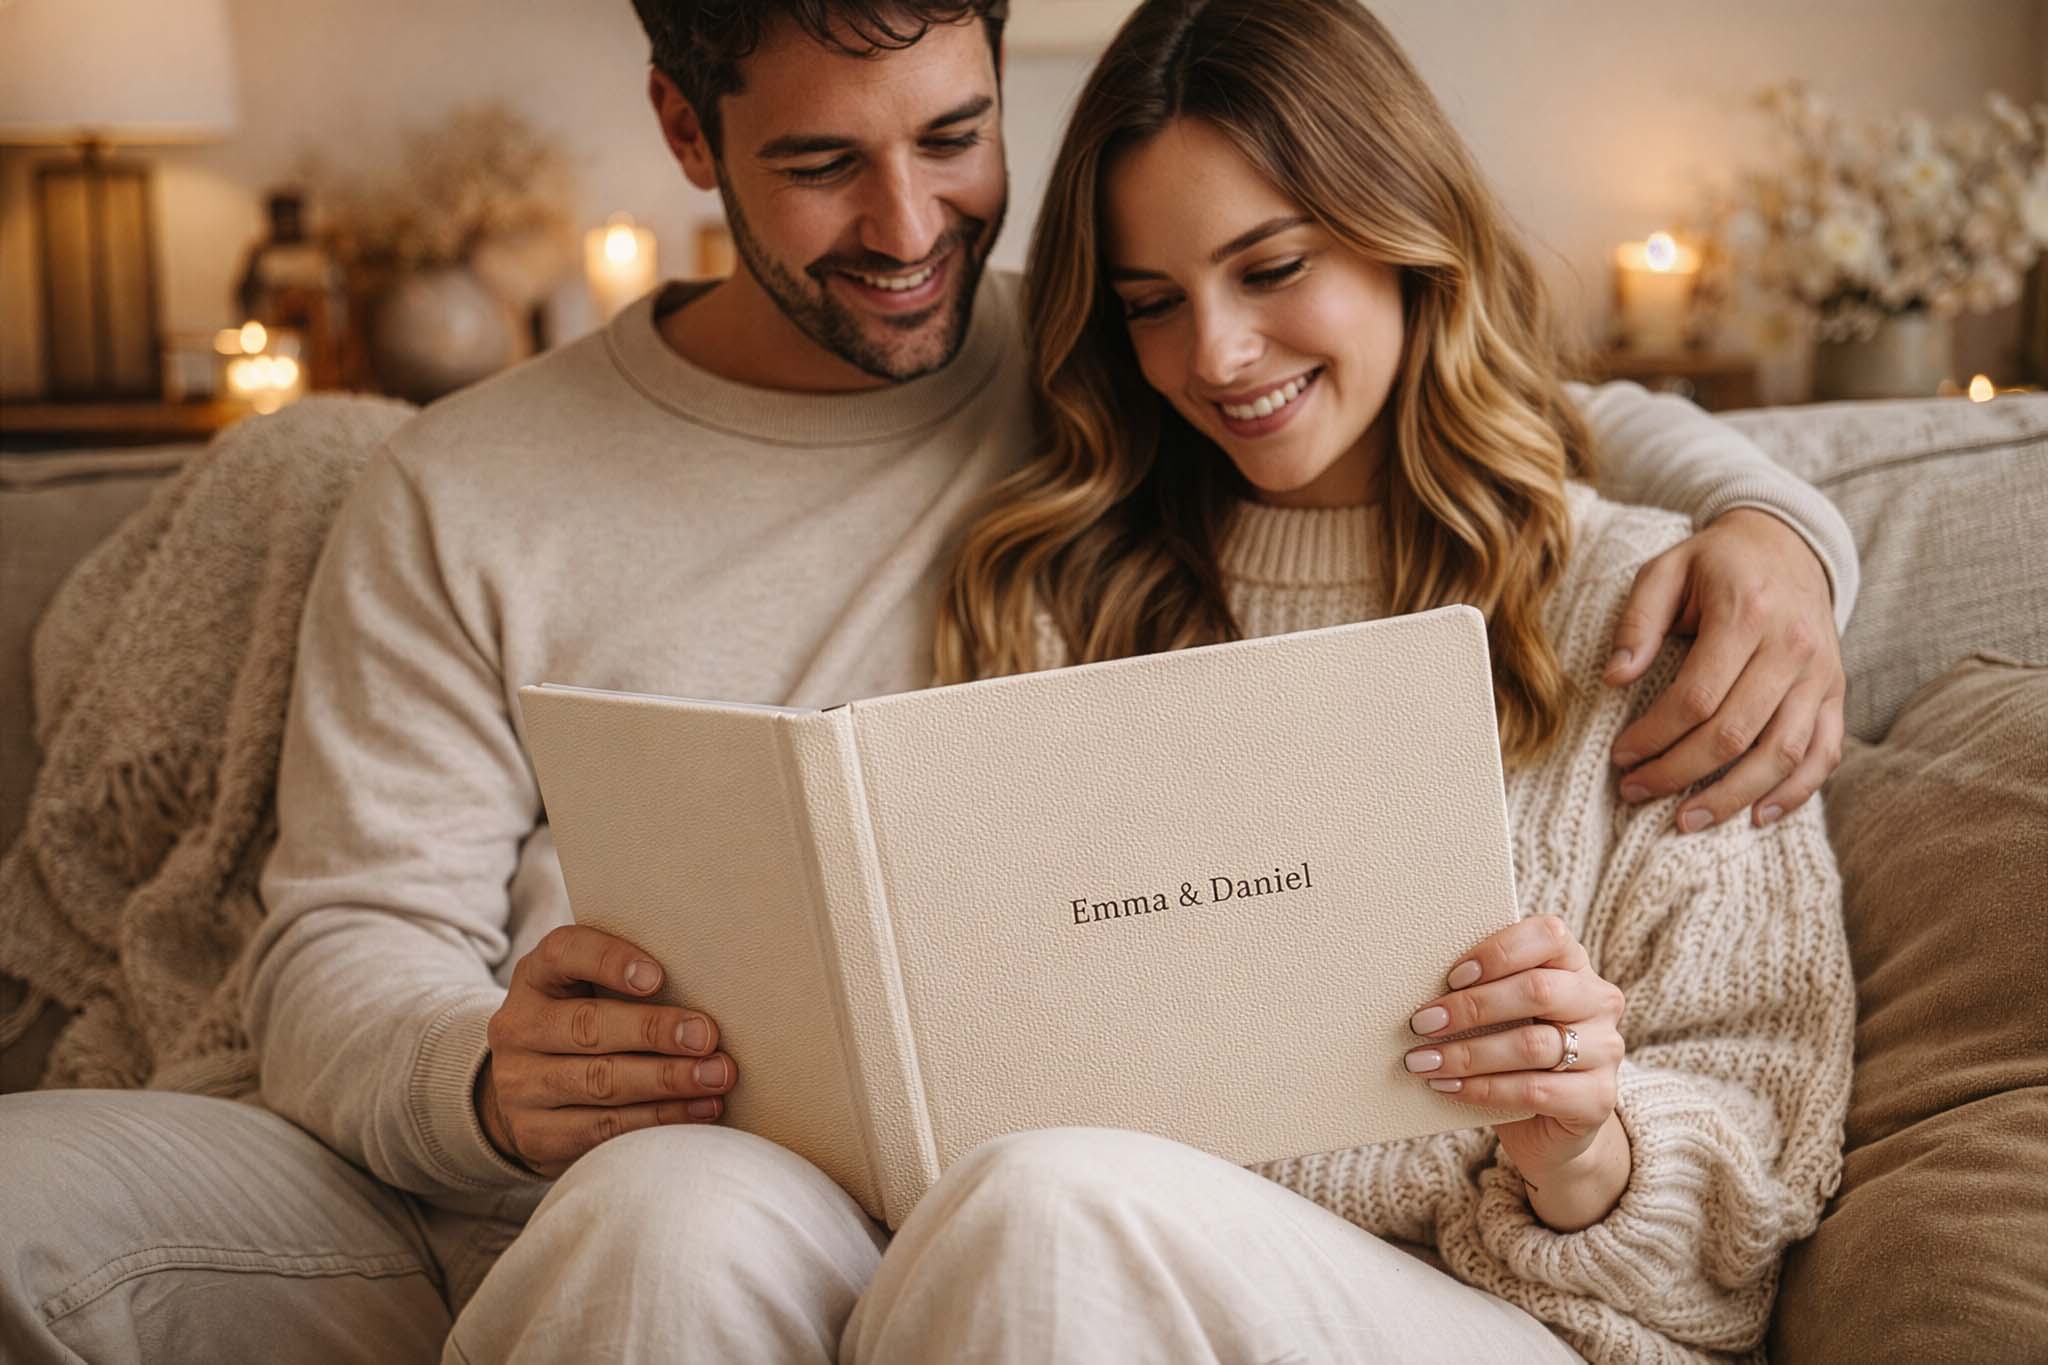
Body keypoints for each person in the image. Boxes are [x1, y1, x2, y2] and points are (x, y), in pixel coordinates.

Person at [0, 3, 1853, 1362]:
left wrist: (1780, 531)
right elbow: (345, 940)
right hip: (752, 1182)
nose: (905, 230)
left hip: (1302, 1263)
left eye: (954, 139)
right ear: (686, 126)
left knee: (1040, 1204)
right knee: (691, 1213)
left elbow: (1479, 408)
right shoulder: (1065, 495)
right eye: (821, 163)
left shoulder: (1107, 371)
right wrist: (488, 1074)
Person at [860, 0, 1853, 1360]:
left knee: (1046, 1208)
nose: (1215, 354)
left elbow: (1752, 1165)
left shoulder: (1650, 613)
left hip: (1512, 1323)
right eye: (1153, 304)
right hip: (1074, 1288)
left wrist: (1581, 1142)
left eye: (1271, 267)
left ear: (1407, 234)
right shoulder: (1050, 598)